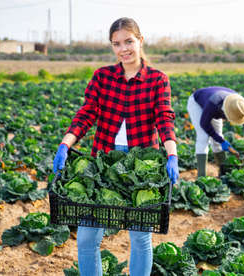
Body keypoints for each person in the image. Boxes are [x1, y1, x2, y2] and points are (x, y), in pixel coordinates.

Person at [52, 17, 179, 276]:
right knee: (87, 238)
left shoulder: (157, 79)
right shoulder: (103, 77)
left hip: (141, 169)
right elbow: (87, 112)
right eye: (116, 44)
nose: (124, 49)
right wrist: (66, 143)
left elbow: (164, 118)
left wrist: (172, 153)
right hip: (104, 164)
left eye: (129, 41)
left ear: (140, 40)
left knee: (140, 238)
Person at [187, 86, 244, 178]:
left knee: (218, 136)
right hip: (197, 102)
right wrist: (221, 141)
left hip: (213, 107)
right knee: (203, 137)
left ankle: (222, 173)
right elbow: (204, 124)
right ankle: (201, 175)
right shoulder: (215, 103)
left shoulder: (242, 109)